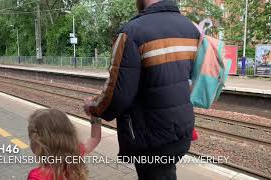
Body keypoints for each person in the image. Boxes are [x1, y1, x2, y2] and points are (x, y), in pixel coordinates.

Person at [84, 0, 199, 179]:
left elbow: (118, 95)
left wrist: (94, 107)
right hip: (182, 129)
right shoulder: (190, 28)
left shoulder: (131, 32)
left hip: (150, 137)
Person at [27, 108, 102, 180]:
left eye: (31, 138)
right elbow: (95, 138)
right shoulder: (76, 152)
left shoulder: (36, 176)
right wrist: (94, 111)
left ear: (38, 143)